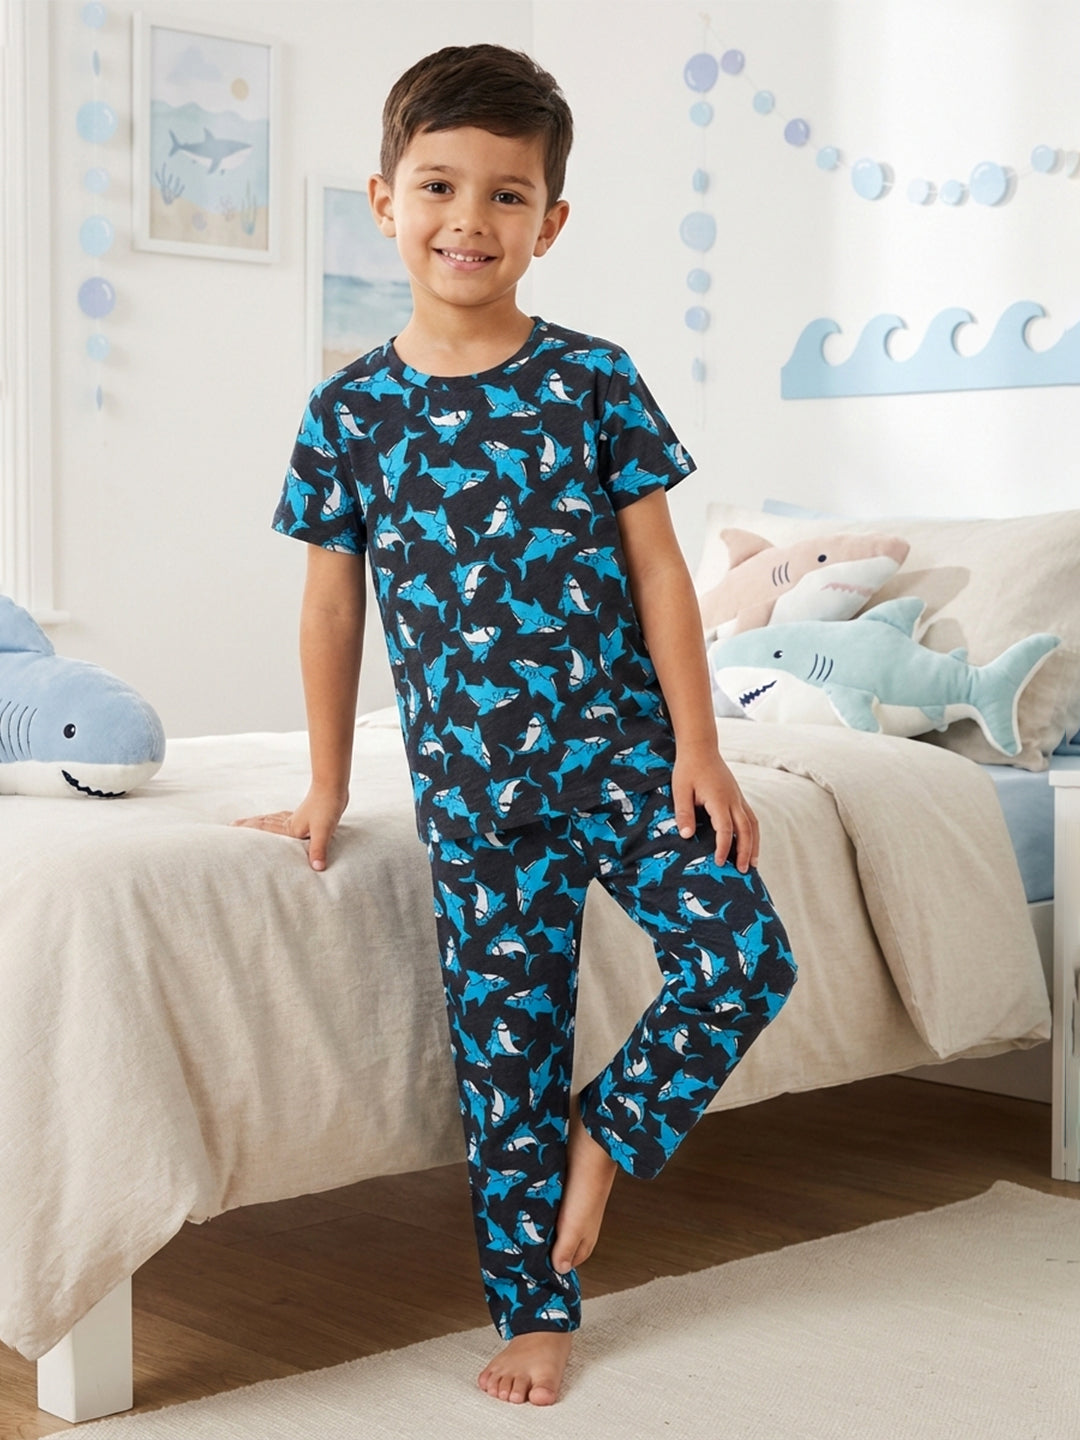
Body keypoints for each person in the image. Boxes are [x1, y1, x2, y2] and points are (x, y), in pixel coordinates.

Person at [235, 43, 796, 1408]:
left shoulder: (592, 380)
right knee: (505, 1057)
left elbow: (662, 574)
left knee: (745, 956)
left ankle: (610, 1130)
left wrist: (701, 746)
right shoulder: (348, 412)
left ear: (550, 222)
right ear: (386, 200)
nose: (468, 220)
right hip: (473, 793)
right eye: (439, 186)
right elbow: (331, 611)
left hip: (626, 759)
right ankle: (534, 1312)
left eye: (506, 195)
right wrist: (325, 784)